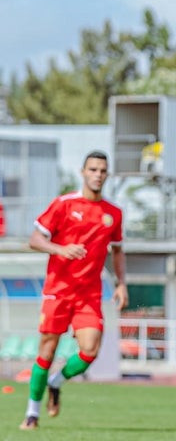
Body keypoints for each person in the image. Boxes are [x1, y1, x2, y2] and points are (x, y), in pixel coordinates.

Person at [19, 150, 128, 430]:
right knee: (47, 350)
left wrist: (121, 283)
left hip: (89, 293)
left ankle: (56, 383)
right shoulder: (64, 204)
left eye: (102, 170)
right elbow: (34, 239)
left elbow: (117, 251)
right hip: (58, 290)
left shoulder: (113, 213)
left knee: (90, 350)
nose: (98, 175)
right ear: (83, 172)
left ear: (107, 175)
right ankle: (32, 413)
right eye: (93, 169)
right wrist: (60, 249)